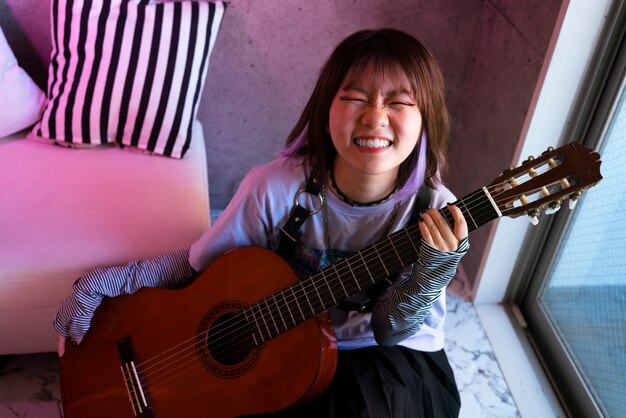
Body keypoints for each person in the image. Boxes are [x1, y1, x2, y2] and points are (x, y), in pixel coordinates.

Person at [55, 28, 469, 418]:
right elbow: (199, 268)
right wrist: (108, 283)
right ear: (326, 111)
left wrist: (430, 276)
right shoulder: (276, 186)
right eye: (355, 97)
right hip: (281, 339)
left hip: (378, 353)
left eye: (399, 102)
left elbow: (389, 330)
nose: (375, 118)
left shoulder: (434, 210)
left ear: (426, 119)